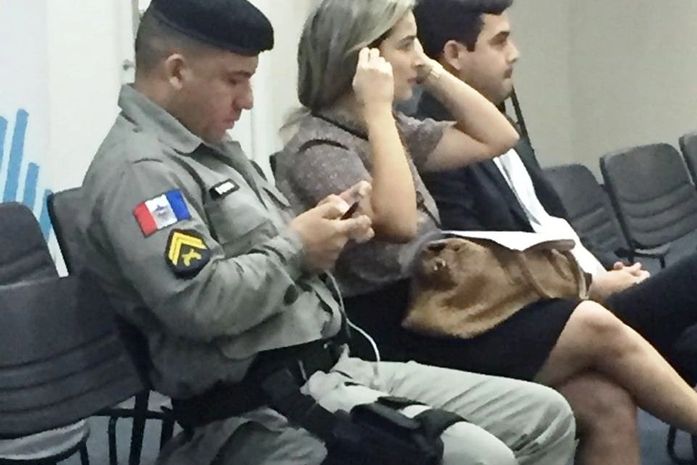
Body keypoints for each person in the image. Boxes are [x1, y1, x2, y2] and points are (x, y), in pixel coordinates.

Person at [75, 0, 578, 464]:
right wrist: (298, 248)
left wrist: (318, 234)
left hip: (332, 369)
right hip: (253, 410)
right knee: (477, 457)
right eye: (234, 80)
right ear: (176, 71)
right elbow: (200, 303)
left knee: (546, 416)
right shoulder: (141, 173)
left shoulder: (211, 151)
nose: (248, 100)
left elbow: (497, 136)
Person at [275, 0, 697, 464]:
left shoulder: (392, 128)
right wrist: (376, 111)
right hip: (397, 329)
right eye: (407, 45)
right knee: (595, 325)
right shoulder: (318, 146)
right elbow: (398, 222)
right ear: (363, 60)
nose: (418, 56)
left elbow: (497, 136)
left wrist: (432, 72)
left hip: (446, 309)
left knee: (605, 402)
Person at [412, 0, 697, 463]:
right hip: (555, 311)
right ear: (454, 54)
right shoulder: (435, 143)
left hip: (594, 288)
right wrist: (589, 284)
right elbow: (476, 260)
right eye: (500, 41)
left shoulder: (503, 127)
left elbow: (557, 223)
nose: (516, 53)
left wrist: (611, 264)